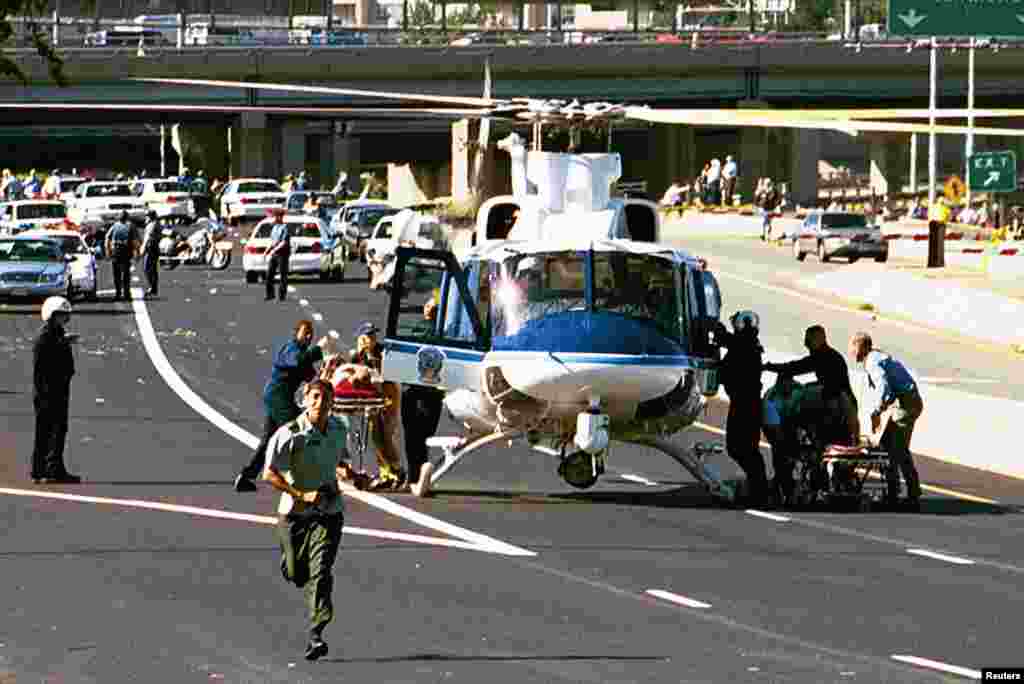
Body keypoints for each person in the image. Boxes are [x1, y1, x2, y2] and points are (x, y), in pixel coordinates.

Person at [262, 378, 356, 661]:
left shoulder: (339, 429)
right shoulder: (289, 434)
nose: (321, 403)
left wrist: (350, 474)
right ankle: (290, 564)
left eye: (326, 398)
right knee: (296, 573)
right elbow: (270, 474)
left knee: (321, 571)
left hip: (328, 511)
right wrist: (301, 494)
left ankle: (317, 634)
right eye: (315, 397)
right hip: (294, 514)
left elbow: (340, 461)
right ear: (305, 399)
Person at [234, 319, 327, 492]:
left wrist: (326, 366)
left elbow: (309, 376)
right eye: (305, 332)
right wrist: (317, 350)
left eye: (311, 333)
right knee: (301, 430)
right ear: (296, 333)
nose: (308, 336)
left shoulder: (303, 353)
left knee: (268, 440)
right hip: (278, 397)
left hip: (280, 398)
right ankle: (304, 478)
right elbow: (298, 362)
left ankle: (246, 477)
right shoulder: (290, 349)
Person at [849, 332, 924, 511]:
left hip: (906, 404)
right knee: (893, 447)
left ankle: (904, 495)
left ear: (862, 347)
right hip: (905, 403)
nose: (851, 351)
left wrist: (876, 411)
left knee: (895, 449)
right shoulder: (875, 357)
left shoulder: (872, 361)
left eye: (853, 347)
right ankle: (899, 492)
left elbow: (884, 387)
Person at [329, 322, 405, 491]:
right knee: (376, 439)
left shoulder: (383, 353)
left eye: (372, 335)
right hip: (370, 404)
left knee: (385, 437)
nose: (371, 339)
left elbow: (385, 376)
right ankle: (386, 473)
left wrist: (371, 362)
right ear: (360, 338)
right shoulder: (358, 356)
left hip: (387, 400)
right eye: (367, 336)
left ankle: (397, 471)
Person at [764, 325, 858, 447]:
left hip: (837, 404)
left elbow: (794, 367)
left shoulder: (823, 356)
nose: (806, 344)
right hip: (845, 403)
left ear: (819, 339)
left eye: (808, 341)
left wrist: (769, 367)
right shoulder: (831, 355)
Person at [716, 310, 769, 506]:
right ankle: (759, 488)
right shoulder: (749, 343)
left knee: (739, 447)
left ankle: (760, 490)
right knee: (746, 448)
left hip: (744, 404)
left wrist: (714, 327)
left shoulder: (744, 343)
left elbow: (727, 340)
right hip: (748, 403)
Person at [32, 297, 81, 484]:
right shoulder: (45, 337)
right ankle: (50, 470)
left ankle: (44, 469)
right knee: (51, 431)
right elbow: (43, 366)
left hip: (57, 389)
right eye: (61, 315)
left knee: (54, 430)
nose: (65, 319)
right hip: (49, 392)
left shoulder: (56, 333)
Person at [401, 297, 445, 497]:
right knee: (418, 437)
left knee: (417, 437)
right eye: (427, 306)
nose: (429, 310)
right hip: (422, 391)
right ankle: (414, 476)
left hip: (422, 391)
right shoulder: (442, 331)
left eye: (433, 307)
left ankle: (415, 477)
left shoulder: (432, 330)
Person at [104, 211, 138, 302]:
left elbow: (107, 237)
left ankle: (118, 293)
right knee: (126, 273)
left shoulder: (115, 226)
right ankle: (126, 293)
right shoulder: (131, 226)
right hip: (126, 252)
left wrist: (108, 251)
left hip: (116, 251)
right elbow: (135, 240)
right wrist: (136, 252)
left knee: (117, 273)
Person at [265, 209, 291, 302]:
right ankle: (270, 294)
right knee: (269, 274)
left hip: (283, 255)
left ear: (280, 217)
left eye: (275, 216)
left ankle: (281, 296)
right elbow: (272, 242)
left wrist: (274, 250)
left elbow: (284, 242)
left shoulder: (285, 227)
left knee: (283, 275)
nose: (273, 218)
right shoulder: (274, 227)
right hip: (274, 254)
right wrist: (267, 251)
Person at [141, 210, 162, 298]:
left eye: (147, 216)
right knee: (152, 268)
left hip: (151, 248)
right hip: (154, 248)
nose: (146, 218)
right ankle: (153, 287)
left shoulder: (152, 225)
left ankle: (152, 287)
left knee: (147, 268)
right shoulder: (156, 224)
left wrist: (143, 247)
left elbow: (148, 237)